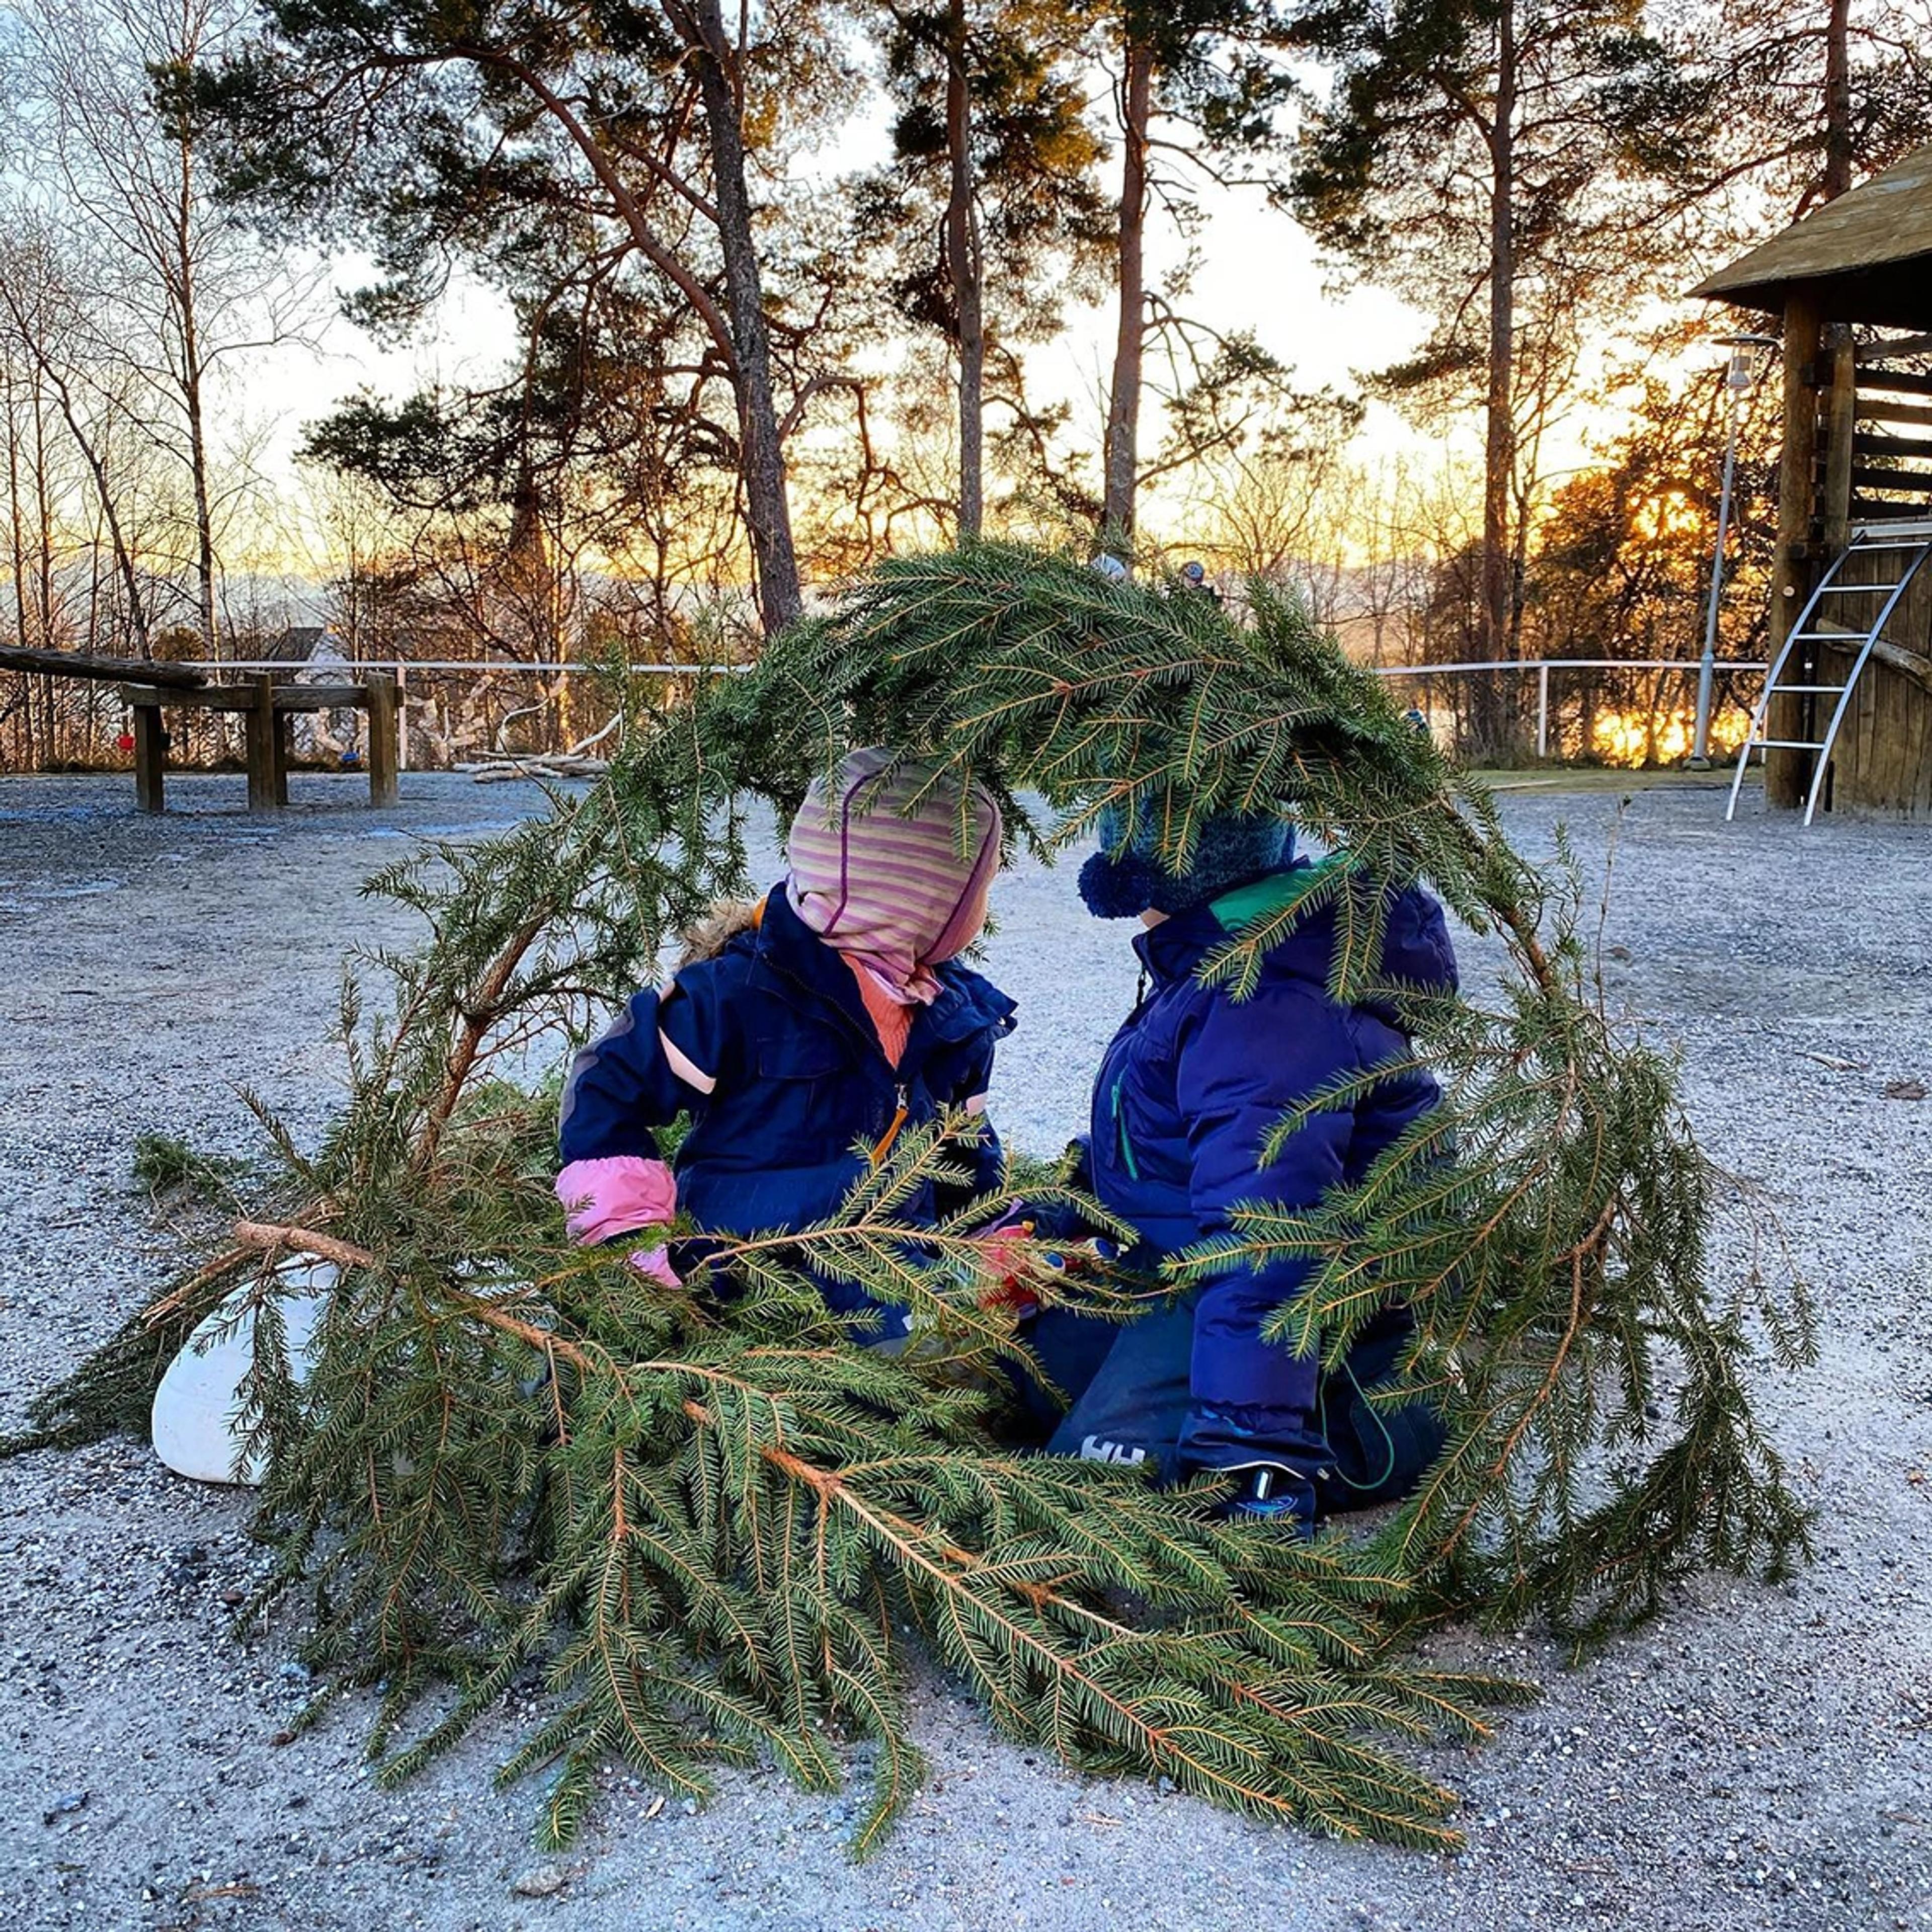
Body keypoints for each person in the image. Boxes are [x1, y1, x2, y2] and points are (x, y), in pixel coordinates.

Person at [1030, 808, 1456, 1530]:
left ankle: (1316, 1432)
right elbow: (1172, 1144)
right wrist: (1066, 1212)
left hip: (1297, 1315)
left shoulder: (1260, 1004)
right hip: (1192, 1274)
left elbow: (1270, 1236)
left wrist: (1249, 1448)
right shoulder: (1217, 956)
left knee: (1091, 1487)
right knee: (1032, 1371)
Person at [554, 748, 1015, 1338]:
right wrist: (629, 1240)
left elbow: (959, 1153)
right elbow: (609, 1085)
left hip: (891, 1274)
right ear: (927, 900)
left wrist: (989, 1234)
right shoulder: (741, 994)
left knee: (996, 1357)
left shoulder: (954, 1020)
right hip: (741, 1276)